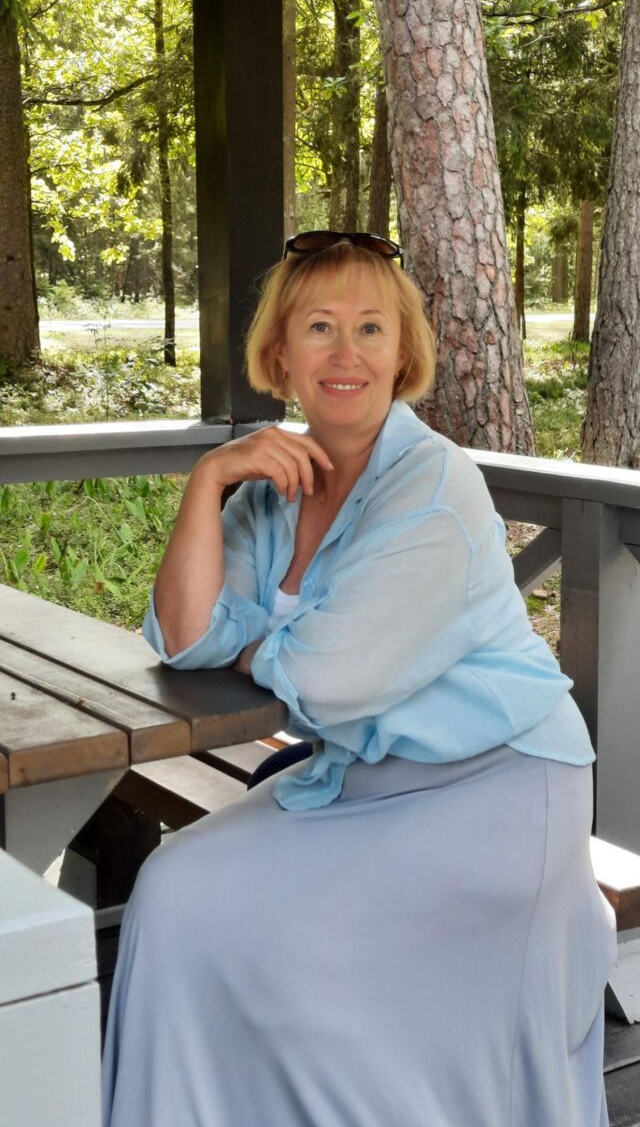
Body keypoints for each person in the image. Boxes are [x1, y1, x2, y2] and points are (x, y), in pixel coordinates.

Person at [102, 230, 617, 1127]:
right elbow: (187, 640)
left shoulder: (435, 484)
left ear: (402, 353)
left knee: (243, 930)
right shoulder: (270, 488)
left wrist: (258, 644)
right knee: (175, 893)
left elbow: (331, 679)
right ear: (280, 355)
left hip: (496, 792)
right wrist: (208, 480)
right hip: (358, 780)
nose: (347, 354)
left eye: (371, 328)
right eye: (320, 328)